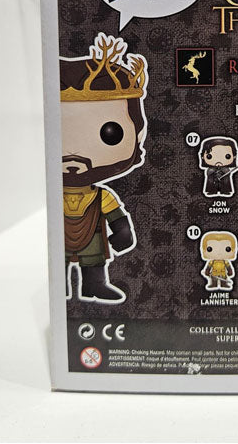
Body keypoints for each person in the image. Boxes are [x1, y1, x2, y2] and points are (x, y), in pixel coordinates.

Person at [60, 32, 148, 303]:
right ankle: (57, 287)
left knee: (94, 260)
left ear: (138, 135)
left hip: (92, 239)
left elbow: (117, 218)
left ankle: (94, 285)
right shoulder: (50, 196)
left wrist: (122, 231)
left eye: (111, 133)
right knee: (56, 259)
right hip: (58, 237)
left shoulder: (101, 196)